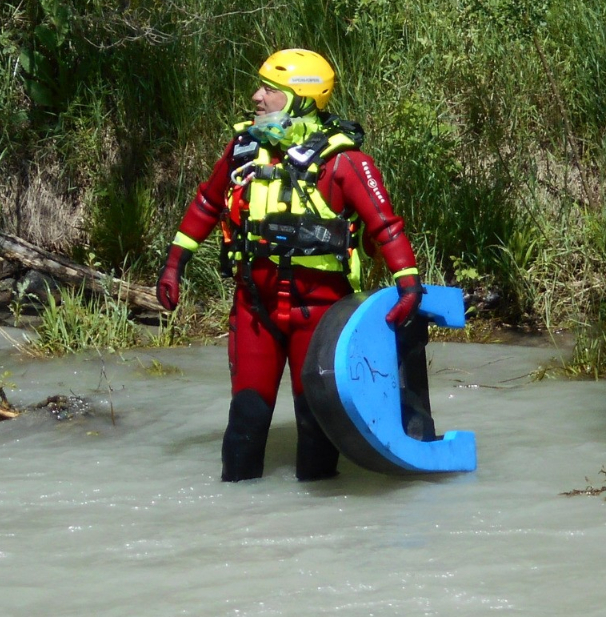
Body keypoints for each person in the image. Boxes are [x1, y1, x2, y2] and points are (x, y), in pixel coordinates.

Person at [155, 48, 424, 482]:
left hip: (319, 316)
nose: (256, 96)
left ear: (301, 98)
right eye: (260, 87)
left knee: (315, 426)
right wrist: (174, 264)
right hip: (254, 310)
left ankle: (316, 520)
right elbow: (207, 202)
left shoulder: (344, 161)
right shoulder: (243, 150)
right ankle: (239, 516)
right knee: (245, 420)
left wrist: (408, 284)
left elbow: (386, 226)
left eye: (269, 89)